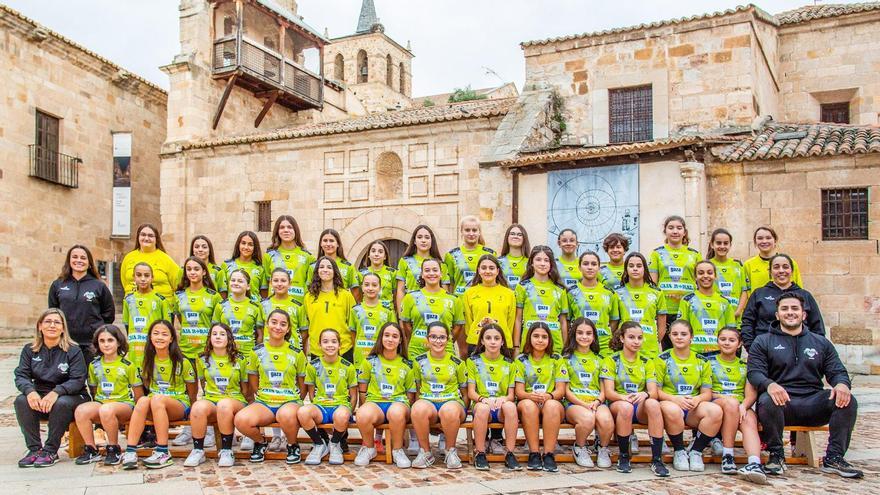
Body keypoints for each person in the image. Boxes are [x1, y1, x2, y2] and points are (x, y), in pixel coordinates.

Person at [748, 292, 862, 479]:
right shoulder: (763, 341)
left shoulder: (821, 343)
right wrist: (769, 384)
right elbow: (754, 373)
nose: (790, 312)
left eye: (795, 308)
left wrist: (842, 384)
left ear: (804, 314)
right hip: (781, 404)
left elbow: (837, 370)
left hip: (813, 402)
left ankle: (834, 457)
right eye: (784, 309)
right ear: (777, 314)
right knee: (767, 400)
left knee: (848, 400)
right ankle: (776, 455)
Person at [14, 309, 89, 468]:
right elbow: (21, 375)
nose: (52, 325)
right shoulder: (30, 349)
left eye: (57, 322)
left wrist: (57, 392)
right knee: (21, 400)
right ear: (40, 326)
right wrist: (30, 391)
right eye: (47, 322)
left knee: (61, 403)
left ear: (63, 328)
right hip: (41, 396)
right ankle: (34, 450)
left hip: (72, 396)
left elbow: (78, 379)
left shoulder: (73, 350)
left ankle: (50, 450)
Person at [121, 320, 197, 470]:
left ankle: (163, 451)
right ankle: (130, 451)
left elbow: (192, 392)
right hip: (155, 403)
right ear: (150, 337)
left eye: (164, 334)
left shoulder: (183, 362)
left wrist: (192, 412)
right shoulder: (146, 360)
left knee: (157, 399)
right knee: (142, 400)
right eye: (155, 333)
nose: (160, 337)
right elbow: (147, 385)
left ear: (172, 338)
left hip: (178, 404)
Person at [234, 309, 308, 464]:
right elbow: (254, 379)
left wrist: (295, 400)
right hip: (265, 402)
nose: (277, 327)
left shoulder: (296, 353)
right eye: (274, 322)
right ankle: (260, 442)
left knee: (285, 415)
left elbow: (302, 383)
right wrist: (262, 394)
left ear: (288, 329)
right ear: (267, 325)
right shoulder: (257, 351)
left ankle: (292, 445)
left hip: (289, 401)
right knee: (241, 419)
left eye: (283, 324)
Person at [654, 320, 722, 472]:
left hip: (692, 406)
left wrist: (697, 399)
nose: (679, 337)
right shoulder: (661, 359)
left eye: (683, 334)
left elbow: (707, 393)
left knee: (715, 411)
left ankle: (696, 451)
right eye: (675, 334)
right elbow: (656, 391)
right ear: (669, 336)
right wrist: (675, 399)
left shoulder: (702, 361)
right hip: (670, 403)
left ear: (691, 337)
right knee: (672, 410)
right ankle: (679, 451)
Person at [601, 321, 667, 477]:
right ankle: (624, 456)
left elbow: (653, 392)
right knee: (626, 407)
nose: (636, 341)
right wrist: (623, 397)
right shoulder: (611, 360)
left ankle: (657, 459)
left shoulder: (647, 362)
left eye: (640, 338)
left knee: (653, 404)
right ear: (622, 338)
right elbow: (609, 392)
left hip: (640, 403)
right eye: (631, 337)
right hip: (619, 403)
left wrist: (645, 394)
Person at [707, 326, 767, 484]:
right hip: (716, 403)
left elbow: (751, 393)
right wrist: (728, 400)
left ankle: (754, 463)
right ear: (717, 341)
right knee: (732, 404)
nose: (727, 343)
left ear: (739, 344)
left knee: (749, 420)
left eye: (732, 340)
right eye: (723, 339)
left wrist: (744, 405)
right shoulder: (708, 363)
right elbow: (706, 391)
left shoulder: (745, 366)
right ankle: (728, 455)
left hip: (739, 405)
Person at [74, 325, 141, 466]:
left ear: (118, 342)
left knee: (107, 409)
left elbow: (138, 393)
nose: (106, 344)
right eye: (102, 341)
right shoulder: (94, 365)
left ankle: (113, 448)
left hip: (124, 405)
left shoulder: (128, 365)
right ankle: (91, 449)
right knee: (81, 410)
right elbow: (93, 389)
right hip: (102, 403)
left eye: (110, 340)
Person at [184, 323, 249, 468]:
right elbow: (203, 383)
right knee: (197, 407)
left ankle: (226, 451)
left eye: (222, 334)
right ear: (209, 338)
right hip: (212, 399)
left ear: (229, 338)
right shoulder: (201, 359)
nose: (218, 337)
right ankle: (198, 450)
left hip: (235, 400)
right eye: (214, 334)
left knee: (224, 405)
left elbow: (246, 389)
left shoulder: (240, 359)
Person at [354, 323, 416, 468]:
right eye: (386, 335)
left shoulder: (407, 365)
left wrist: (405, 408)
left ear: (400, 340)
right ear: (381, 338)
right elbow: (362, 391)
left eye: (395, 336)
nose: (390, 339)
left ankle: (398, 450)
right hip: (375, 402)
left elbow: (410, 394)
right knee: (362, 414)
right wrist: (365, 408)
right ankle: (369, 448)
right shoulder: (369, 362)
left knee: (396, 412)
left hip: (399, 403)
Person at [410, 322, 467, 469]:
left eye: (442, 337)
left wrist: (463, 411)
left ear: (448, 339)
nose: (438, 341)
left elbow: (465, 392)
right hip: (428, 401)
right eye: (433, 337)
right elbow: (417, 389)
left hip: (451, 401)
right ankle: (426, 452)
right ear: (427, 339)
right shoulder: (418, 361)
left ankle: (450, 451)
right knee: (417, 408)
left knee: (449, 411)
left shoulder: (458, 363)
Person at [298, 328, 358, 466]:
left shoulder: (348, 367)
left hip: (340, 406)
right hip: (321, 406)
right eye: (325, 341)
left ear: (339, 345)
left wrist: (348, 411)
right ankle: (320, 444)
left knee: (342, 415)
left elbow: (353, 396)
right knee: (302, 412)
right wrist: (317, 405)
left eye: (333, 341)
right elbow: (311, 393)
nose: (330, 345)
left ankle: (335, 444)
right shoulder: (313, 366)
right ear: (319, 345)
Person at [467, 323, 521, 471]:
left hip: (500, 407)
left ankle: (510, 453)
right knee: (483, 409)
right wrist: (484, 399)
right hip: (482, 404)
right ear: (482, 341)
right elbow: (471, 392)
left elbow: (511, 395)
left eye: (497, 338)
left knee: (511, 406)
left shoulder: (510, 364)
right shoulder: (473, 361)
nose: (492, 341)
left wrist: (503, 399)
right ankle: (480, 453)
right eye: (488, 338)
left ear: (502, 341)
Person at [741, 253, 824, 350]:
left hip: (800, 349)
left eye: (785, 267)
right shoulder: (759, 294)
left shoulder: (805, 295)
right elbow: (747, 322)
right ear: (770, 271)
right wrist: (752, 348)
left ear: (792, 270)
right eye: (776, 267)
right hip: (766, 350)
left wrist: (814, 350)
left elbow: (817, 326)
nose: (781, 270)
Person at [48, 245, 115, 365]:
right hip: (65, 343)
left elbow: (109, 314)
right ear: (69, 261)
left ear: (89, 262)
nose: (79, 260)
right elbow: (53, 312)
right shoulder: (58, 285)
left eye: (83, 258)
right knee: (67, 380)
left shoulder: (99, 286)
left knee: (92, 380)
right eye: (75, 257)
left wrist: (95, 330)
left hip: (92, 345)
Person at [561, 318, 614, 468]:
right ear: (573, 335)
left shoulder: (601, 359)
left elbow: (604, 389)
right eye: (580, 333)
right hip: (574, 403)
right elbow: (566, 390)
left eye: (588, 333)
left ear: (594, 337)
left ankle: (602, 448)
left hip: (596, 401)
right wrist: (583, 404)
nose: (584, 337)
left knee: (606, 420)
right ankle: (579, 447)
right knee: (587, 419)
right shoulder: (565, 359)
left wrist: (597, 402)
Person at [515, 322, 566, 472]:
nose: (540, 340)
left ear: (549, 339)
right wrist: (531, 396)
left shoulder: (557, 359)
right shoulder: (521, 360)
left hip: (550, 401)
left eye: (544, 337)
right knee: (528, 405)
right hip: (529, 400)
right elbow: (519, 392)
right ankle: (534, 453)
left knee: (551, 405)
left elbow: (560, 390)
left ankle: (549, 454)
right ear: (529, 338)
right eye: (536, 336)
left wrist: (548, 396)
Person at [400, 258, 464, 359]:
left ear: (441, 273)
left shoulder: (454, 300)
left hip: (444, 352)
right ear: (422, 274)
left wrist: (443, 341)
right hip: (417, 351)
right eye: (427, 270)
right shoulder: (410, 297)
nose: (431, 273)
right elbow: (406, 325)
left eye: (435, 270)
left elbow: (458, 327)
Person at [514, 245, 569, 355]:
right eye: (538, 260)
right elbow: (518, 319)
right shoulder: (522, 287)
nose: (542, 264)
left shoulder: (560, 289)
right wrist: (516, 346)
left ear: (551, 264)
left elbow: (563, 322)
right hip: (529, 344)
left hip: (554, 345)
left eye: (546, 260)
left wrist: (565, 347)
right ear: (532, 263)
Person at [461, 255, 517, 358]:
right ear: (478, 270)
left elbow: (510, 323)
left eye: (491, 268)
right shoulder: (469, 293)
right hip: (476, 343)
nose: (487, 271)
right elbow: (468, 323)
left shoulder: (509, 294)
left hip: (502, 343)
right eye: (483, 268)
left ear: (498, 271)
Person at [649, 216, 701, 324]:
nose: (675, 231)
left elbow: (700, 283)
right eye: (671, 228)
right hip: (664, 307)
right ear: (665, 231)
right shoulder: (657, 253)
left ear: (684, 232)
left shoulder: (695, 254)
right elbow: (653, 284)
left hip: (688, 305)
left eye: (679, 228)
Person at [567, 251, 620, 356]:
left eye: (594, 264)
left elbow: (614, 321)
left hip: (604, 347)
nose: (590, 267)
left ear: (599, 268)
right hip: (579, 346)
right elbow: (567, 321)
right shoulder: (571, 292)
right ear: (579, 267)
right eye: (586, 264)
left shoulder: (609, 293)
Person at [677, 260, 736, 354]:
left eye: (710, 273)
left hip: (718, 353)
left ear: (715, 276)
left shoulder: (725, 302)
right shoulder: (687, 300)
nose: (705, 276)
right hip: (694, 352)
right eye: (700, 273)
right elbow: (681, 329)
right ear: (695, 277)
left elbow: (731, 331)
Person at [303, 256, 356, 359]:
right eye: (321, 267)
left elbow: (353, 326)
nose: (325, 270)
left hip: (343, 350)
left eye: (329, 267)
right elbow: (306, 327)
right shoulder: (309, 297)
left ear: (335, 271)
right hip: (318, 350)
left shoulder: (346, 295)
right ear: (317, 271)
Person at [615, 252, 666, 358]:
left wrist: (655, 342)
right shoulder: (617, 293)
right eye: (631, 266)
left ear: (644, 269)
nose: (635, 269)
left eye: (639, 266)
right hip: (625, 348)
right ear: (626, 269)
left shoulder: (657, 293)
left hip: (649, 349)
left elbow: (662, 326)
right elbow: (614, 324)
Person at [123, 262, 172, 367]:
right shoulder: (128, 300)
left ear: (152, 277)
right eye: (139, 275)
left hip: (153, 349)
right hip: (134, 350)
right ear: (133, 277)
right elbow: (127, 324)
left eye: (147, 275)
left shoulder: (160, 300)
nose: (143, 279)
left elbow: (168, 327)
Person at [262, 215, 315, 304]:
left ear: (295, 230)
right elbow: (265, 286)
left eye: (289, 227)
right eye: (282, 227)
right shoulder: (269, 256)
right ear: (277, 231)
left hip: (298, 307)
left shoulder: (308, 257)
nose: (286, 230)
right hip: (274, 309)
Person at [396, 224, 449, 311]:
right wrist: (401, 315)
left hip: (435, 309)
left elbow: (445, 291)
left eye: (427, 237)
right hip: (412, 308)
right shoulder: (404, 261)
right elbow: (400, 290)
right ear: (414, 241)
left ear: (432, 241)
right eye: (420, 237)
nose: (423, 240)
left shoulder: (441, 264)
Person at [119, 224, 180, 298]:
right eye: (143, 235)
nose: (146, 238)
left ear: (156, 239)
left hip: (161, 307)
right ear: (138, 237)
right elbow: (125, 282)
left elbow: (179, 284)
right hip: (133, 305)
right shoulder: (128, 258)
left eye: (150, 236)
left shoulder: (166, 259)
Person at [213, 268, 264, 358]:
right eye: (233, 280)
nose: (236, 283)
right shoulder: (220, 305)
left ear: (248, 286)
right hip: (226, 354)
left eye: (240, 281)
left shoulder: (255, 307)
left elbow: (260, 335)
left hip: (248, 355)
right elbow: (213, 331)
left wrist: (256, 354)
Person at [350, 272, 397, 366]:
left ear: (380, 288)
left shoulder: (387, 311)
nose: (370, 288)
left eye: (374, 285)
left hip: (380, 357)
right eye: (367, 285)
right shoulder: (355, 310)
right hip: (360, 358)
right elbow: (353, 335)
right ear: (362, 287)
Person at [444, 215, 496, 297]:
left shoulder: (490, 254)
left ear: (479, 232)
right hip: (460, 301)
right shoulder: (451, 255)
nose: (471, 233)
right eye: (467, 230)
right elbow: (449, 284)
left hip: (482, 299)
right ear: (461, 231)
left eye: (474, 230)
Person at [706, 229, 749, 321]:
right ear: (712, 245)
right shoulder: (706, 265)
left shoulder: (738, 265)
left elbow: (744, 291)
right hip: (713, 316)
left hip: (735, 317)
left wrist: (738, 311)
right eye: (718, 243)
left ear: (730, 245)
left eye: (725, 243)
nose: (722, 246)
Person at [743, 226, 804, 290]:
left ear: (775, 240)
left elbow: (799, 289)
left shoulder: (790, 262)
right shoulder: (748, 265)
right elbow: (746, 292)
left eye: (768, 238)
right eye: (760, 238)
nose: (764, 241)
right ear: (755, 242)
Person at [306, 229, 361, 298]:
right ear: (321, 244)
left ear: (338, 244)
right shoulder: (313, 266)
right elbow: (309, 290)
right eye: (325, 241)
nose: (328, 244)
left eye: (331, 241)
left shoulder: (348, 267)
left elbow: (355, 293)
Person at [261, 268, 308, 349]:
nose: (279, 284)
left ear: (290, 283)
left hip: (291, 351)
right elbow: (260, 330)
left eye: (283, 281)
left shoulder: (298, 306)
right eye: (276, 280)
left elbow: (304, 332)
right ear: (271, 283)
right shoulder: (263, 305)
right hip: (268, 351)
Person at [219, 231, 267, 299]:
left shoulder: (260, 268)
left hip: (253, 308)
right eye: (243, 243)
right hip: (231, 307)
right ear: (238, 244)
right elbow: (223, 293)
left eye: (250, 244)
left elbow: (264, 295)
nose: (246, 247)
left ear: (255, 247)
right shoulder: (226, 265)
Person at [359, 240, 397, 311]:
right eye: (373, 251)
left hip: (387, 314)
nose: (376, 254)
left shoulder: (393, 273)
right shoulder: (361, 274)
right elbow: (358, 296)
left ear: (385, 256)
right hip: (367, 313)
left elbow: (396, 296)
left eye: (380, 252)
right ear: (369, 255)